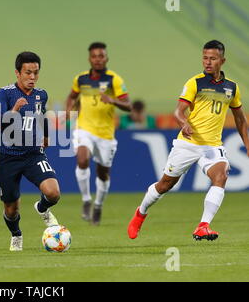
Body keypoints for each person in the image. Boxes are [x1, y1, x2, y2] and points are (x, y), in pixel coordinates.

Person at [128, 40, 249, 241]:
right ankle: (140, 213)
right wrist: (184, 123)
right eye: (205, 58)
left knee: (221, 176)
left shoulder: (232, 88)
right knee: (165, 185)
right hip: (188, 143)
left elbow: (240, 119)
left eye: (212, 58)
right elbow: (177, 111)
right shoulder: (195, 83)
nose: (208, 62)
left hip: (212, 146)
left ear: (222, 60)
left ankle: (203, 226)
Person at [0, 51, 61, 251]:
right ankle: (16, 234)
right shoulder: (5, 93)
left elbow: (42, 114)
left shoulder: (41, 94)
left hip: (33, 154)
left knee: (53, 193)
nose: (32, 77)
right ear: (17, 73)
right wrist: (14, 109)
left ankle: (42, 208)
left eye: (36, 73)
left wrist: (46, 135)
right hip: (8, 157)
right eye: (28, 73)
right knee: (11, 209)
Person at [66, 42, 131, 225]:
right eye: (94, 56)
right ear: (89, 59)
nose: (98, 59)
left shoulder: (114, 80)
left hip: (105, 135)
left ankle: (98, 204)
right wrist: (69, 113)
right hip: (84, 129)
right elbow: (71, 96)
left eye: (101, 56)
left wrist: (112, 100)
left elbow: (128, 105)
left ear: (106, 58)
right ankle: (86, 200)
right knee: (82, 159)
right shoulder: (80, 79)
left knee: (103, 174)